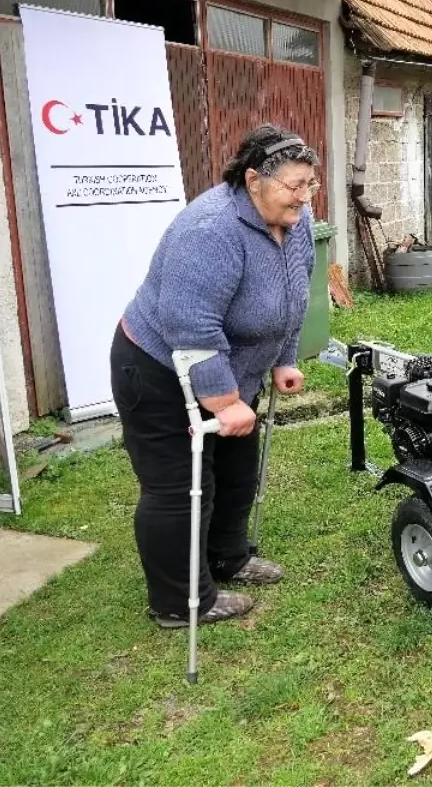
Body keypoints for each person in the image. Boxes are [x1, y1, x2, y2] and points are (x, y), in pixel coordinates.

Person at [111, 124, 319, 629]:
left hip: (232, 368)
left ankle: (230, 557)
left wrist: (283, 357)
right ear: (253, 181)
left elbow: (294, 296)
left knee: (236, 470)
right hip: (159, 368)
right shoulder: (209, 230)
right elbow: (191, 326)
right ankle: (180, 602)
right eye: (292, 185)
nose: (303, 197)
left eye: (309, 184)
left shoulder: (297, 219)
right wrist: (225, 403)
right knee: (180, 487)